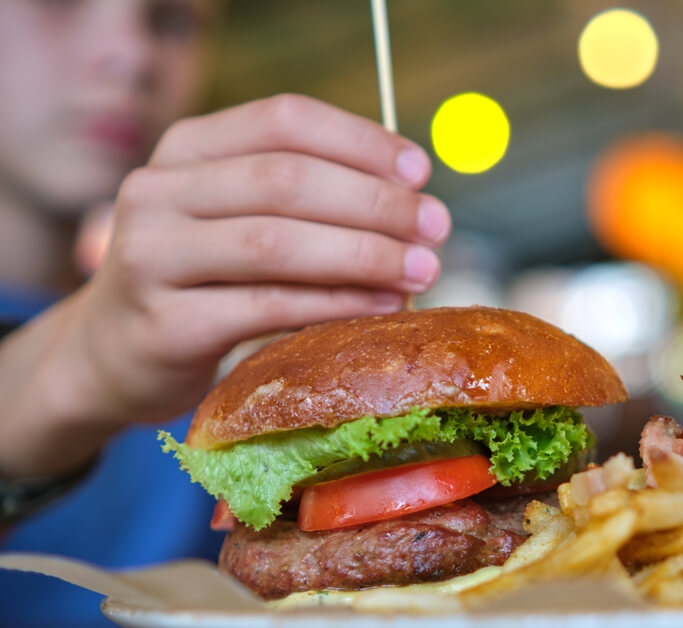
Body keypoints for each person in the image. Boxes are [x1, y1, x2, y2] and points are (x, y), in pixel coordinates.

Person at [0, 1, 450, 625]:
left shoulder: (211, 348)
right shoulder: (144, 342)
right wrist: (68, 373)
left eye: (173, 19)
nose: (130, 56)